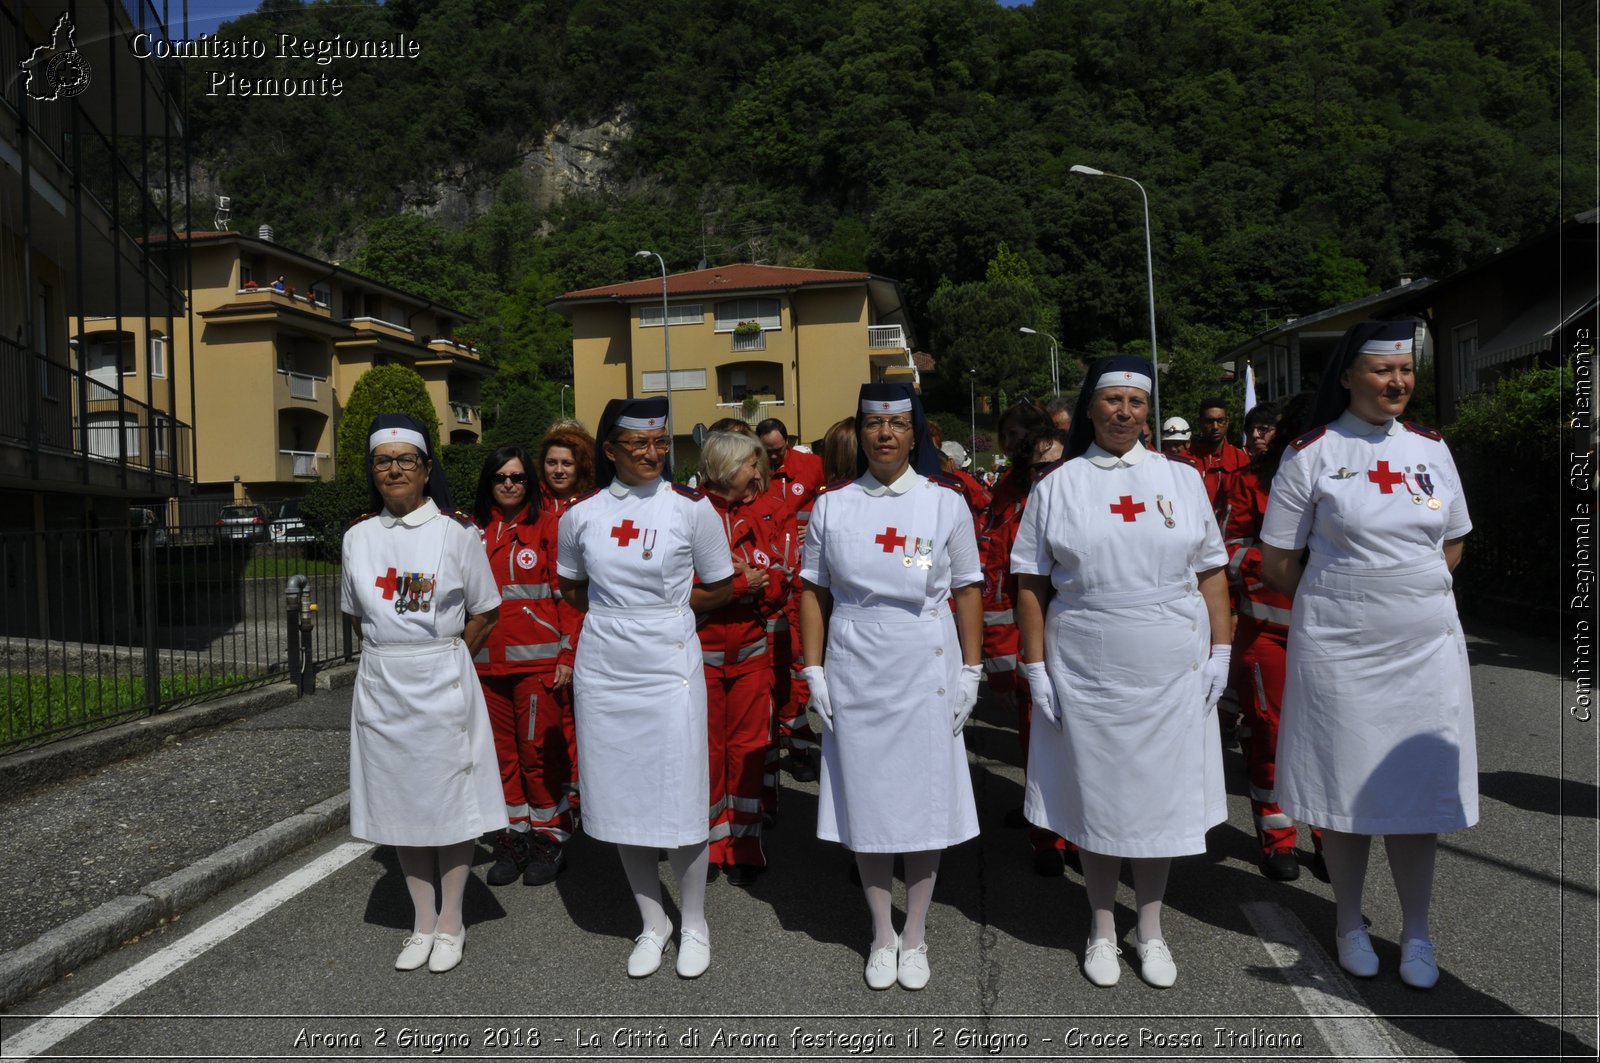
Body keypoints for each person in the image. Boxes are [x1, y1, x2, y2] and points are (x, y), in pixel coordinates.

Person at [1259, 320, 1474, 990]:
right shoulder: (1312, 452)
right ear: (1349, 375)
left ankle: (1416, 930)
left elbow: (1453, 542)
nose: (1398, 383)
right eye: (1383, 371)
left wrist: (1404, 597)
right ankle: (1349, 921)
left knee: (1418, 794)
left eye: (1406, 371)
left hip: (1423, 651)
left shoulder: (1433, 449)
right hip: (1342, 650)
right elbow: (1277, 560)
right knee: (1345, 788)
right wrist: (1344, 603)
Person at [1012, 356, 1230, 990]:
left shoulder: (1181, 479)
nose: (1125, 413)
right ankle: (1103, 926)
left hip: (1170, 660)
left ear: (1148, 411)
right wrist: (1035, 667)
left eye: (1137, 403)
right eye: (1113, 402)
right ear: (1091, 408)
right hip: (1088, 662)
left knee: (1159, 801)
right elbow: (1030, 584)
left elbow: (1211, 571)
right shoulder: (1059, 485)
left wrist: (1221, 652)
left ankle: (1152, 927)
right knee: (1099, 796)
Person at [799, 383, 983, 991]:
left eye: (898, 424)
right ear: (860, 430)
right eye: (875, 424)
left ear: (915, 432)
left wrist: (972, 671)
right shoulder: (832, 506)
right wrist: (814, 670)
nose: (885, 434)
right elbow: (813, 592)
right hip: (856, 662)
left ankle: (917, 933)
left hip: (926, 662)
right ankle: (882, 932)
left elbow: (968, 591)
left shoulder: (944, 504)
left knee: (926, 804)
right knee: (870, 800)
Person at [557, 397, 735, 979]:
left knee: (681, 796)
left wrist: (663, 613)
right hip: (606, 665)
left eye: (661, 442)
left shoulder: (692, 510)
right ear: (610, 450)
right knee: (621, 794)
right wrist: (622, 616)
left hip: (669, 665)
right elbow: (572, 589)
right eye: (639, 445)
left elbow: (722, 584)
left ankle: (697, 921)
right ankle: (652, 920)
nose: (654, 454)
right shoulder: (580, 516)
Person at [340, 413, 503, 974]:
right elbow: (356, 614)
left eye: (405, 460)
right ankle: (421, 920)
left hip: (442, 678)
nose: (394, 470)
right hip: (384, 682)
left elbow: (486, 608)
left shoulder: (458, 533)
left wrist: (452, 656)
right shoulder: (357, 537)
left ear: (427, 468)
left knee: (449, 800)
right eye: (383, 462)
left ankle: (453, 919)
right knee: (401, 800)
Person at [1219, 397, 1326, 882]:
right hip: (1269, 630)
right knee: (1271, 735)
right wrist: (1287, 571)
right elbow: (1230, 548)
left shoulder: (1333, 474)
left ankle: (1330, 839)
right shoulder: (1247, 482)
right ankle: (1277, 835)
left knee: (1329, 739)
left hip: (1331, 632)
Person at [472, 445, 576, 888]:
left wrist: (568, 654)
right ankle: (512, 837)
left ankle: (549, 836)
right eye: (501, 477)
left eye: (517, 477)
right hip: (482, 665)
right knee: (500, 757)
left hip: (537, 665)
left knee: (538, 754)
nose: (510, 484)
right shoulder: (472, 531)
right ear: (489, 483)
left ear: (529, 484)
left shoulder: (549, 526)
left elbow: (568, 598)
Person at [979, 402, 1069, 875]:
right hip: (1029, 638)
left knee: (1083, 744)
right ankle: (1047, 838)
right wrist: (997, 656)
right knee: (1037, 738)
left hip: (1082, 634)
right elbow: (995, 575)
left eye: (1053, 464)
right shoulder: (1009, 495)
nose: (1046, 474)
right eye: (1037, 465)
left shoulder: (1082, 485)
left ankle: (1078, 833)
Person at [696, 431, 787, 885]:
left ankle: (746, 843)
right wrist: (736, 586)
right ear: (728, 467)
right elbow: (677, 594)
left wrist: (758, 583)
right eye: (752, 465)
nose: (759, 473)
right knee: (709, 751)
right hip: (702, 654)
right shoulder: (691, 516)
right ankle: (712, 843)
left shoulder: (759, 516)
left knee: (750, 749)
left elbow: (777, 584)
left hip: (751, 655)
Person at [536, 423, 596, 823]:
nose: (558, 470)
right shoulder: (529, 505)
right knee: (551, 726)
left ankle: (585, 797)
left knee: (584, 721)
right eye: (552, 462)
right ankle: (561, 800)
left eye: (567, 463)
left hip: (585, 625)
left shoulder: (592, 504)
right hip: (540, 630)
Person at [1189, 398, 1251, 510]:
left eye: (1220, 420)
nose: (1215, 427)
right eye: (1209, 421)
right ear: (1200, 422)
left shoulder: (1241, 460)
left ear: (1227, 422)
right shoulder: (1184, 460)